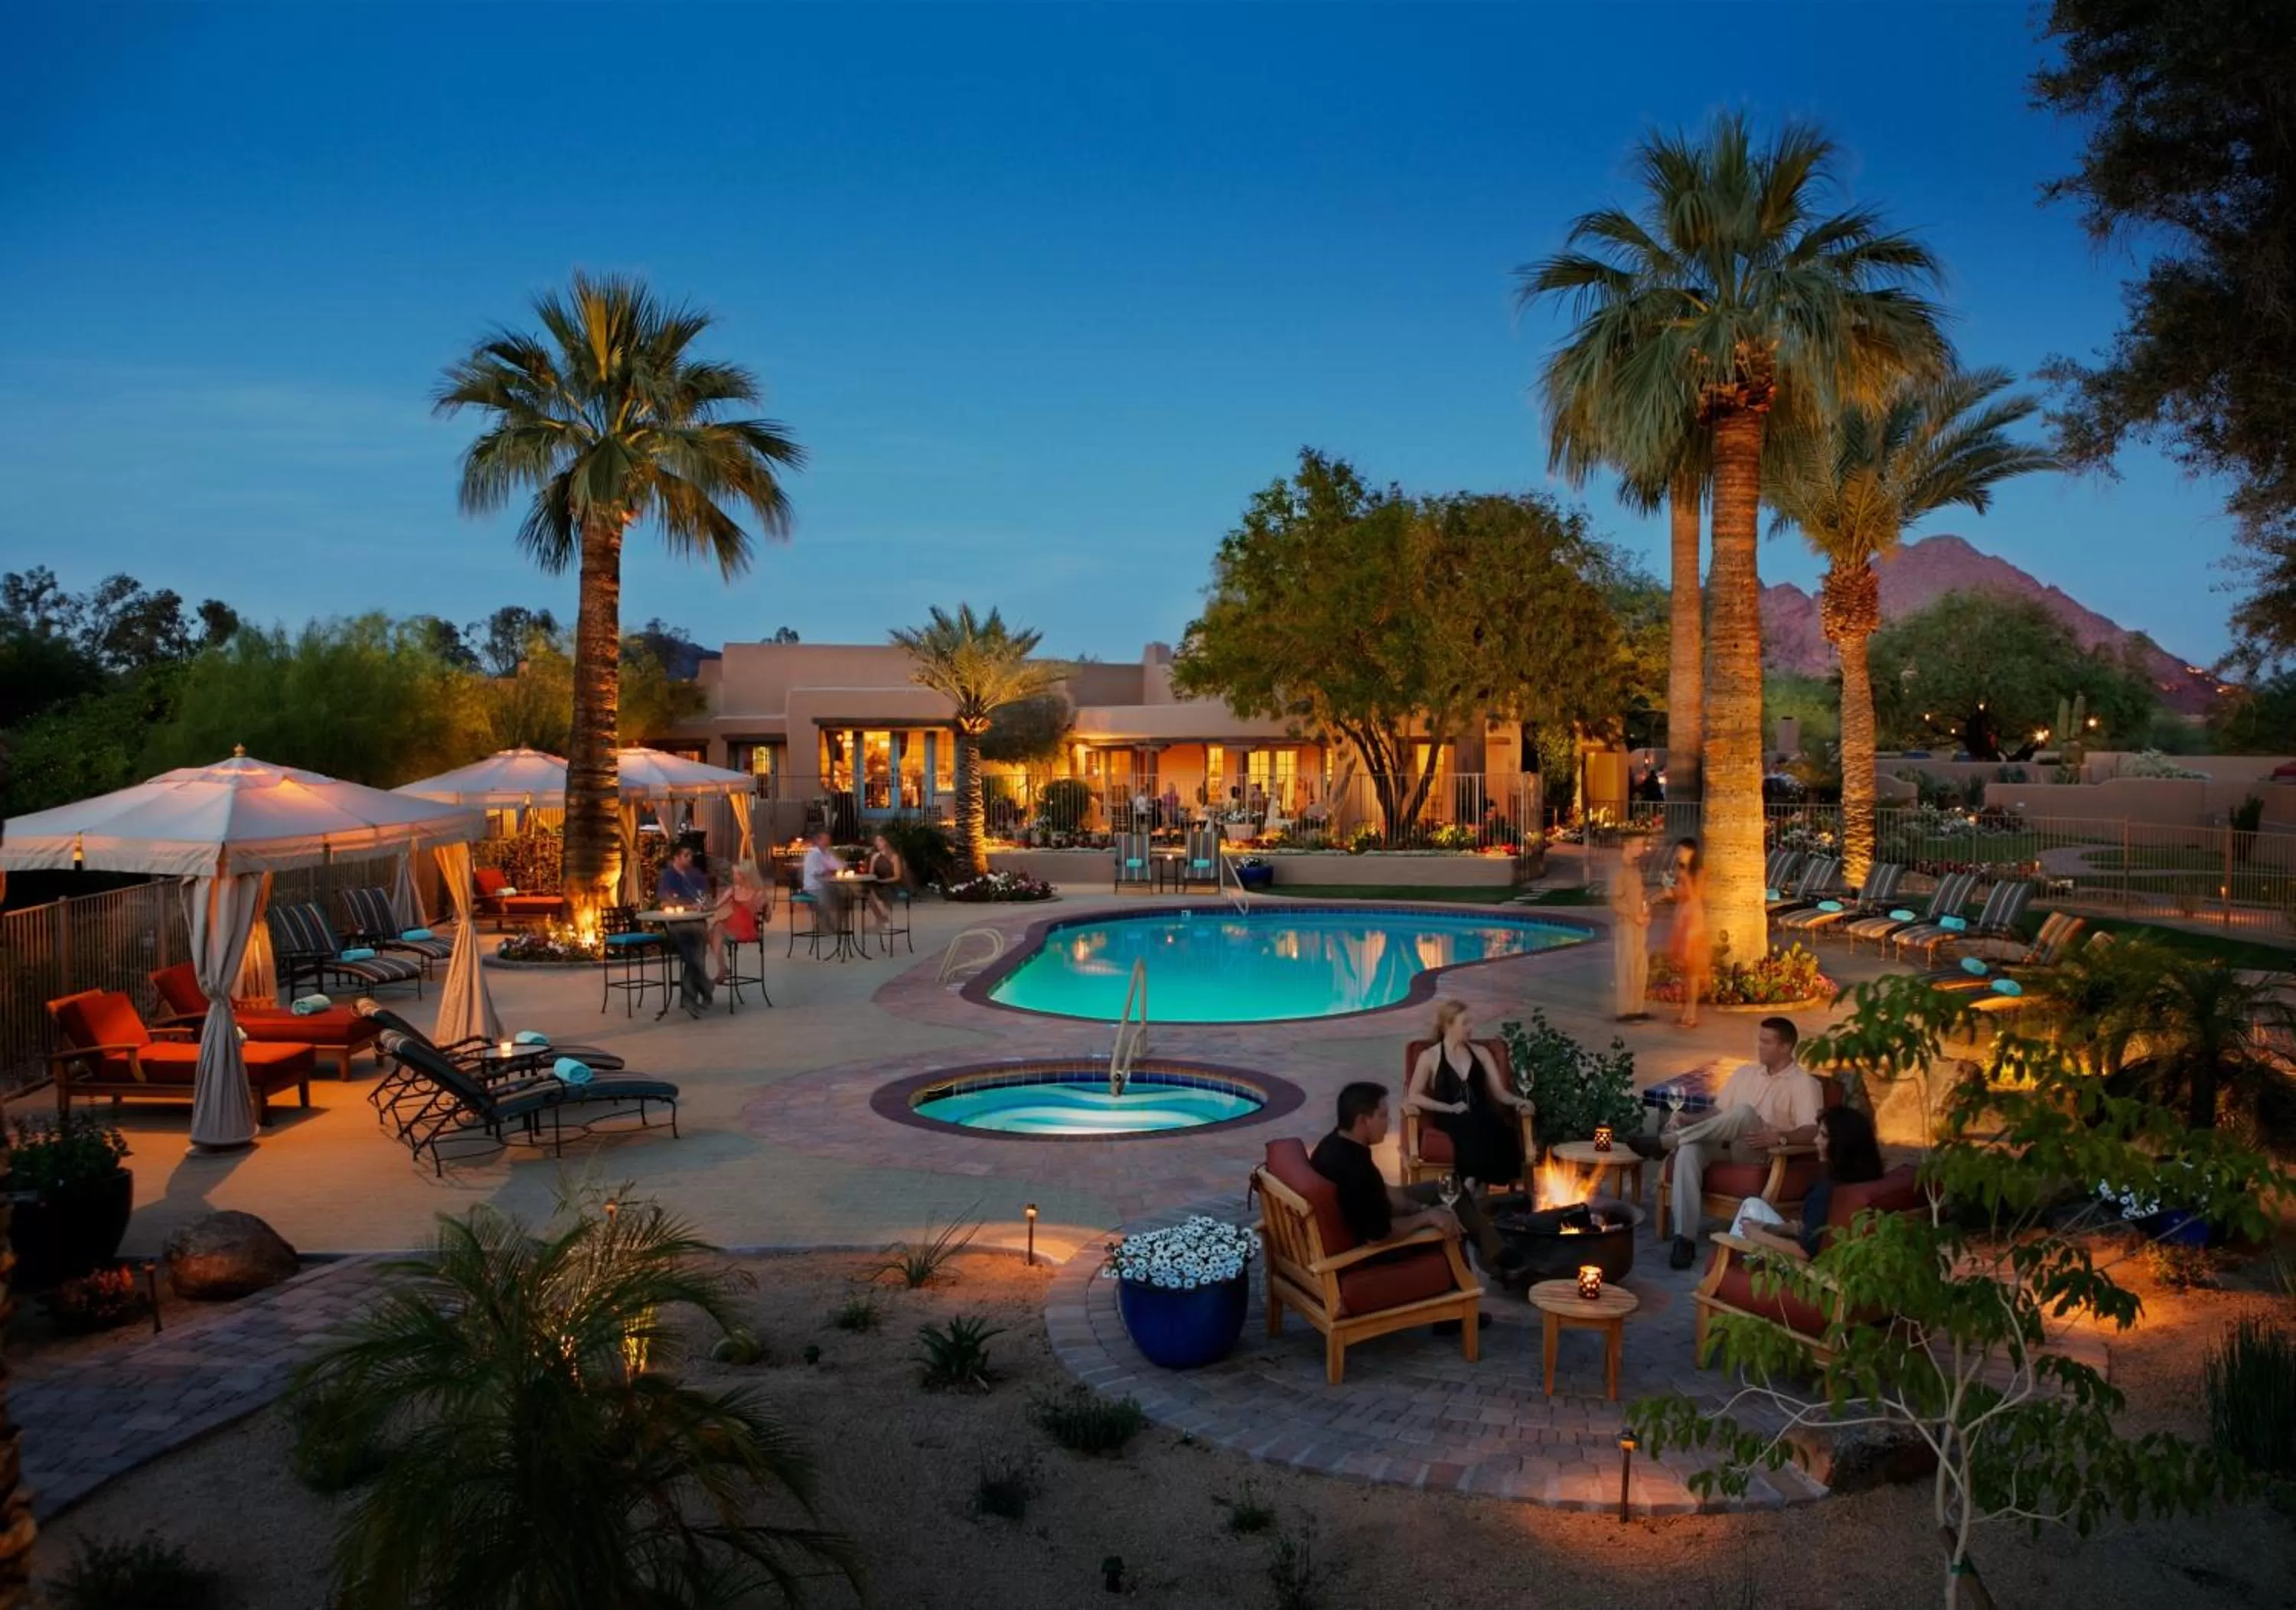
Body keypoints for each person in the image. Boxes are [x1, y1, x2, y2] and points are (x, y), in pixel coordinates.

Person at [1632, 1016, 1825, 1268]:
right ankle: (1684, 1240)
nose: (1759, 1046)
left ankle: (1669, 1142)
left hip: (1762, 1151)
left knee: (1744, 1112)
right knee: (1690, 1150)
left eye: (1767, 1042)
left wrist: (1781, 1136)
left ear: (1787, 1047)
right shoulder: (1745, 1073)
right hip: (1725, 1144)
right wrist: (1688, 1118)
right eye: (1759, 1040)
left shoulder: (1805, 1084)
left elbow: (1812, 1129)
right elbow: (1717, 1113)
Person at [1309, 1082, 1517, 1306]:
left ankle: (1495, 1253)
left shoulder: (1335, 1143)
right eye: (1382, 1116)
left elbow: (1378, 1190)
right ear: (1362, 1121)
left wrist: (1414, 1206)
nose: (1388, 1124)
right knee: (1449, 1223)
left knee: (1447, 1189)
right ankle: (1458, 1306)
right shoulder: (1354, 1171)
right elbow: (1379, 1236)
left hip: (1374, 1213)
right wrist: (1426, 1218)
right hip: (1373, 1250)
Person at [1404, 1000, 1532, 1194]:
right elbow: (1413, 1096)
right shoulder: (1429, 1057)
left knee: (1500, 1129)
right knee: (1470, 1127)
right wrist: (1450, 1108)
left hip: (1481, 1113)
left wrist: (1519, 1101)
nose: (1470, 1028)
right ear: (1448, 1025)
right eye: (1465, 1023)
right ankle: (1471, 1188)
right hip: (1450, 1116)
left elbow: (1499, 1092)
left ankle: (1471, 1187)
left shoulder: (1481, 1052)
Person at [1736, 1105, 1887, 1258]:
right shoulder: (1870, 1179)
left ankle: (1733, 1270)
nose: (1816, 1140)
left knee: (1743, 1225)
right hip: (1841, 1257)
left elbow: (1803, 1252)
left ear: (1842, 1144)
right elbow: (1821, 1229)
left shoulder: (1828, 1192)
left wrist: (1756, 1235)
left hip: (1804, 1272)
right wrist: (1773, 1229)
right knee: (1753, 1205)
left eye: (1823, 1135)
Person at [654, 842, 715, 1015]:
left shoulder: (696, 874)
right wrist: (689, 906)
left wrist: (704, 905)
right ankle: (705, 988)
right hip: (678, 924)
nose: (691, 858)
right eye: (686, 855)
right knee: (693, 955)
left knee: (694, 956)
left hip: (698, 921)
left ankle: (690, 998)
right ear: (676, 857)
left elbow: (707, 897)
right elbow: (665, 901)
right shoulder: (668, 876)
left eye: (691, 855)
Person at [1664, 836, 1712, 1029]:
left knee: (1693, 969)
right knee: (1685, 970)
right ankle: (1686, 1012)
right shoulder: (1680, 871)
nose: (1679, 854)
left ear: (1692, 853)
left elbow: (1696, 896)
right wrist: (1670, 891)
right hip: (1682, 918)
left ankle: (1692, 1015)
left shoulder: (1699, 872)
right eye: (1678, 851)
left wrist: (1685, 878)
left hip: (1693, 920)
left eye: (1683, 851)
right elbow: (1681, 894)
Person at [1608, 833, 1652, 1022]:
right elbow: (1615, 901)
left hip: (1638, 925)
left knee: (1640, 966)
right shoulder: (1619, 871)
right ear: (1627, 845)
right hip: (1626, 925)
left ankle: (1637, 1008)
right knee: (1626, 967)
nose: (1643, 848)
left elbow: (1641, 896)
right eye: (1640, 845)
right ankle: (1625, 1010)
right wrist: (1635, 915)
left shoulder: (1635, 870)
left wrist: (1645, 911)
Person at [705, 859, 771, 984]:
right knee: (711, 931)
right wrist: (704, 907)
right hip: (730, 923)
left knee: (717, 927)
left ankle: (722, 969)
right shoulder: (733, 890)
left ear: (745, 875)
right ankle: (723, 967)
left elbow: (767, 918)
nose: (734, 877)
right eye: (734, 874)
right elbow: (716, 906)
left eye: (737, 874)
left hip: (746, 926)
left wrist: (763, 906)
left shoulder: (758, 893)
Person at [798, 829, 847, 943]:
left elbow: (839, 865)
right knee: (835, 895)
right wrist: (830, 871)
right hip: (813, 888)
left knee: (841, 894)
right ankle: (826, 924)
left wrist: (838, 867)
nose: (827, 842)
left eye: (828, 840)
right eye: (825, 840)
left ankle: (830, 923)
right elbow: (817, 872)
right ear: (818, 841)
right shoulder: (813, 854)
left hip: (822, 885)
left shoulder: (826, 853)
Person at [863, 831, 905, 935]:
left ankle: (881, 920)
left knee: (873, 894)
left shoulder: (894, 857)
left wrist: (883, 881)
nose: (878, 843)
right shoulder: (875, 857)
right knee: (868, 894)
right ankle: (881, 919)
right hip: (878, 883)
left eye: (880, 840)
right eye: (876, 841)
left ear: (886, 842)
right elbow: (871, 874)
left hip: (891, 884)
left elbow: (897, 876)